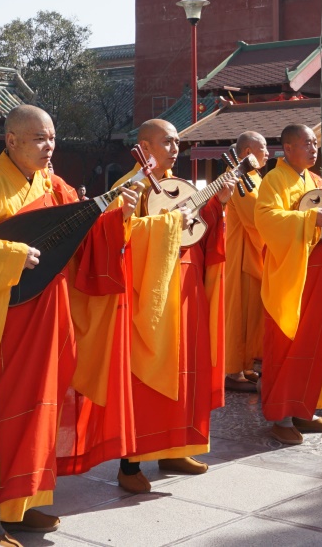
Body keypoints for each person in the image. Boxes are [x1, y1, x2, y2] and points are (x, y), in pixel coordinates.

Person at [0, 105, 135, 544]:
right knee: (0, 412)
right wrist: (8, 256)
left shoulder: (54, 186)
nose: (50, 147)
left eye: (53, 139)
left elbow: (83, 228)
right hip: (6, 320)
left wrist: (121, 216)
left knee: (44, 409)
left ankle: (24, 504)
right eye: (41, 139)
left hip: (51, 313)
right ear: (12, 141)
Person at [115, 120, 234, 494]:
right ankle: (129, 463)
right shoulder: (129, 186)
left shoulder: (175, 184)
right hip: (150, 292)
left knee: (187, 367)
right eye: (168, 141)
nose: (175, 147)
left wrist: (221, 204)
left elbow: (198, 227)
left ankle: (175, 447)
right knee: (148, 372)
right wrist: (168, 224)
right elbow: (116, 236)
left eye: (178, 141)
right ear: (144, 146)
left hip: (186, 282)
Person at [254, 124, 322, 445]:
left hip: (321, 273)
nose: (314, 149)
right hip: (292, 276)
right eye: (307, 144)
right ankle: (281, 416)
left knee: (317, 342)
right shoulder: (274, 181)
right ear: (288, 148)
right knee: (288, 345)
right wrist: (306, 220)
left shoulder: (316, 182)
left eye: (316, 143)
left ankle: (305, 409)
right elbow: (266, 219)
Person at [223, 131, 269, 392]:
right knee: (239, 314)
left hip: (254, 252)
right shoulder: (239, 178)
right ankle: (232, 370)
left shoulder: (254, 177)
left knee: (252, 315)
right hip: (242, 256)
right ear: (247, 152)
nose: (267, 152)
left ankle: (248, 365)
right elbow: (256, 217)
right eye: (263, 147)